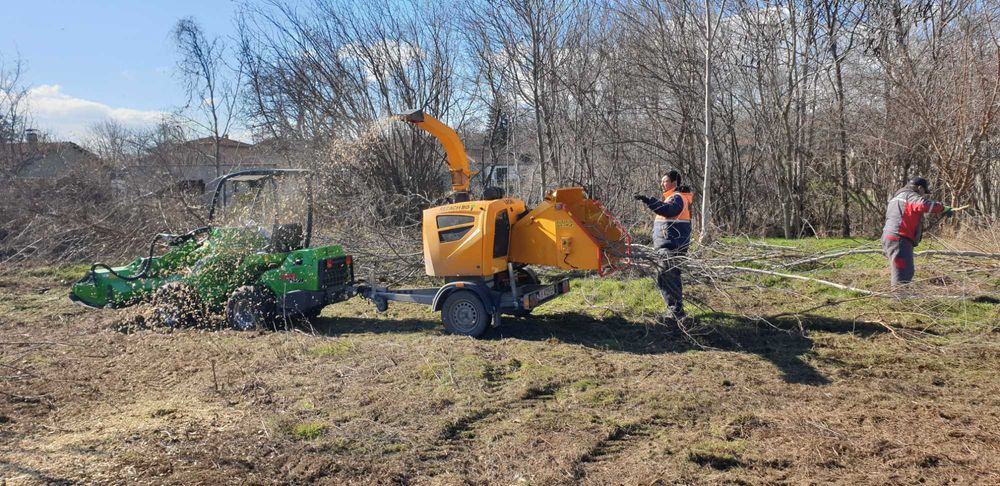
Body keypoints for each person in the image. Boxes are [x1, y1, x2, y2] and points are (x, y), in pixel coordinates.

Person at [635, 170, 694, 322]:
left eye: (665, 181)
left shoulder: (677, 198)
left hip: (671, 248)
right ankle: (674, 310)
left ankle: (675, 313)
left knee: (670, 278)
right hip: (666, 248)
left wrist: (649, 200)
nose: (662, 183)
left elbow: (667, 210)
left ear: (674, 183)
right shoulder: (672, 198)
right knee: (665, 278)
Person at [881, 177, 953, 286]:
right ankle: (900, 298)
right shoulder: (910, 196)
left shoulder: (897, 197)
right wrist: (942, 208)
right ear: (919, 188)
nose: (923, 195)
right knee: (903, 272)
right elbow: (923, 205)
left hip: (890, 237)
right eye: (924, 192)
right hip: (899, 238)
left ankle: (900, 296)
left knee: (902, 270)